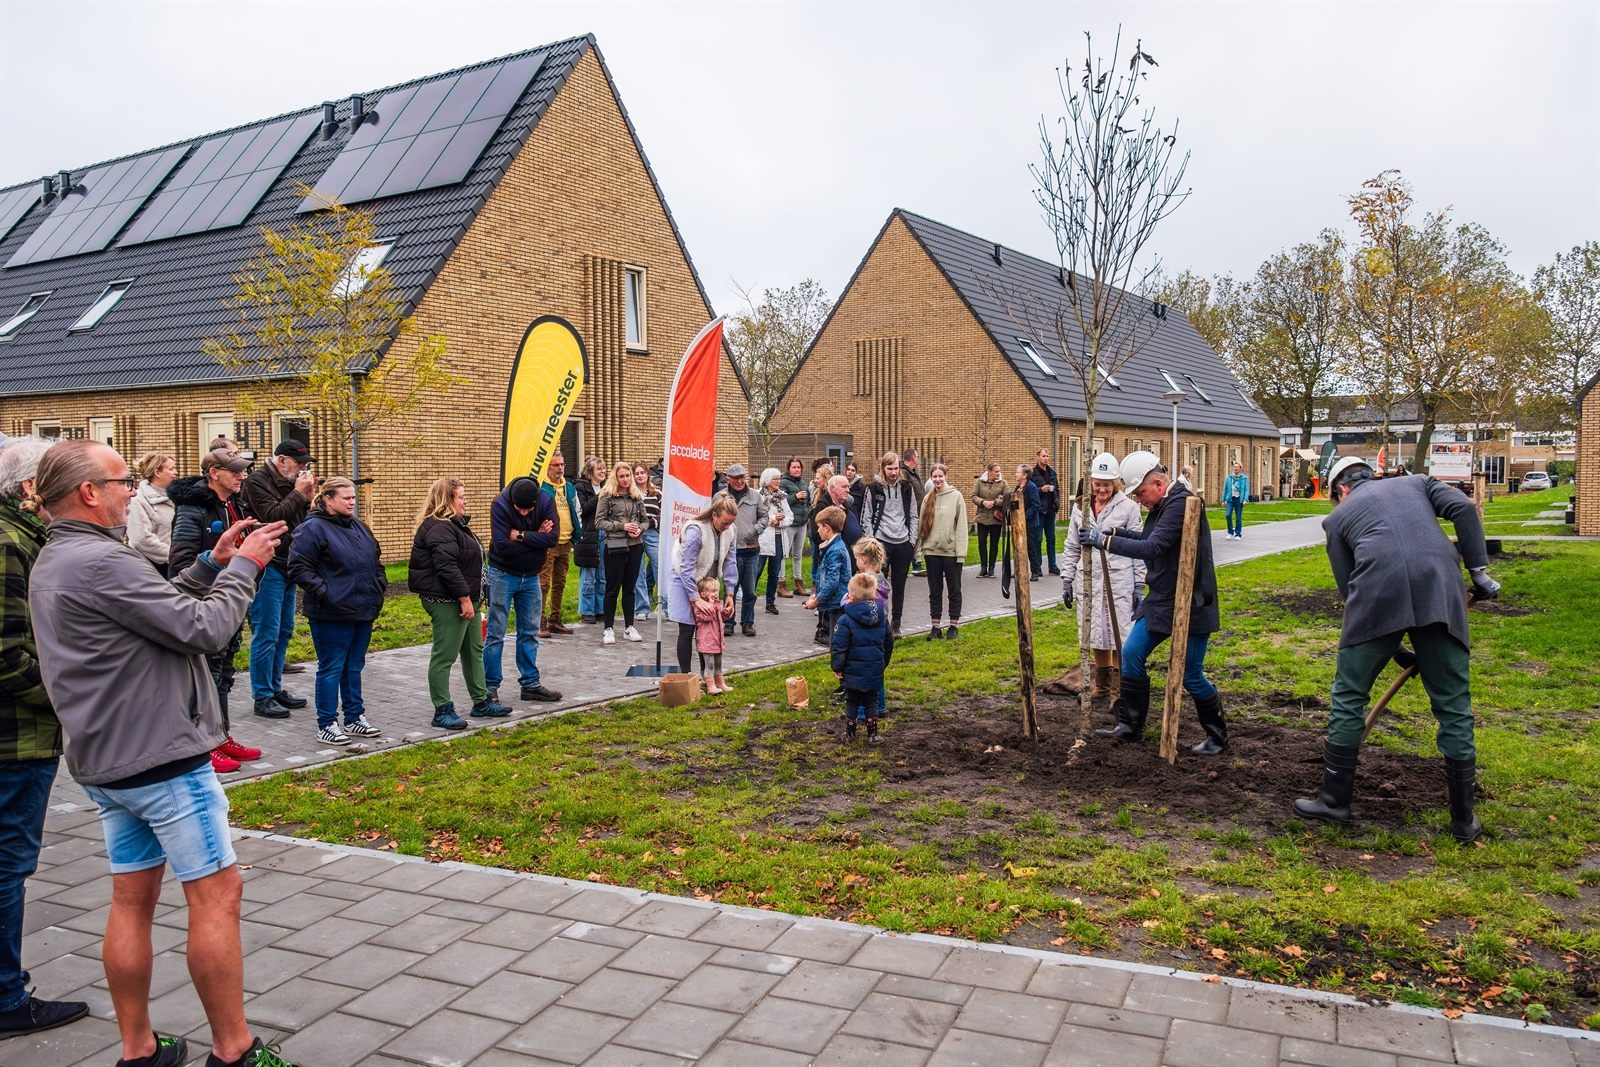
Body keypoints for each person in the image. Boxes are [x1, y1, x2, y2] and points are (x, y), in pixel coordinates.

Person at [27, 439, 292, 1067]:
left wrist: (208, 566)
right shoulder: (101, 561)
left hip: (108, 760)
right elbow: (202, 629)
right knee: (218, 895)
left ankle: (138, 1049)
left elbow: (151, 613)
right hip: (162, 762)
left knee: (131, 899)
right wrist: (245, 568)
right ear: (88, 492)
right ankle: (235, 1051)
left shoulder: (60, 557)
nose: (137, 490)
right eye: (122, 480)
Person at [1294, 457, 1498, 842]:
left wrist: (1388, 646)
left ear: (1340, 490)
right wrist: (1479, 571)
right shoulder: (1417, 483)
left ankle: (1334, 802)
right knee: (1454, 705)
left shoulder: (1336, 520)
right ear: (1372, 475)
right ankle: (1463, 821)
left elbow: (1350, 591)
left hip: (1376, 595)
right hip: (1439, 590)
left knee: (1349, 696)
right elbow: (1464, 508)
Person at [0, 438, 90, 1041]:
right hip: (16, 740)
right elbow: (7, 653)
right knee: (8, 865)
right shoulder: (9, 545)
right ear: (29, 489)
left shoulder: (23, 539)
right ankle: (7, 998)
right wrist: (67, 698)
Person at [1082, 451, 1227, 756]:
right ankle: (1131, 726)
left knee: (1191, 674)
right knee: (1132, 652)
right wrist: (1117, 532)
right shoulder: (1162, 505)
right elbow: (1150, 536)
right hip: (1162, 598)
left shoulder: (1182, 504)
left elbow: (1153, 546)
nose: (1139, 500)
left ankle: (1217, 736)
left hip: (1192, 601)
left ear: (1159, 483)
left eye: (1141, 493)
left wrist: (1104, 541)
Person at [168, 446, 266, 772]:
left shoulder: (235, 504)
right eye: (235, 471)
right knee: (205, 678)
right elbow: (180, 563)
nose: (242, 476)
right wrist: (218, 570)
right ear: (214, 474)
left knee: (223, 674)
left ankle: (222, 736)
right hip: (205, 604)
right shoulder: (193, 509)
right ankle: (204, 745)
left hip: (232, 602)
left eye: (242, 470)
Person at [288, 477, 386, 745]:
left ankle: (354, 718)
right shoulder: (313, 529)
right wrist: (327, 593)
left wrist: (378, 587)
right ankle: (327, 723)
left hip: (363, 610)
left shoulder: (360, 528)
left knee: (353, 667)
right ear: (328, 499)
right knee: (331, 668)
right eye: (346, 498)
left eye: (353, 497)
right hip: (330, 613)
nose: (352, 502)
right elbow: (298, 568)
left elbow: (376, 562)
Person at [410, 478, 509, 731]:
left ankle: (481, 702)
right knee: (445, 655)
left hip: (468, 600)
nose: (465, 501)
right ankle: (442, 709)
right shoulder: (439, 527)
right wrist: (464, 599)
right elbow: (446, 566)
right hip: (448, 601)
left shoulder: (455, 525)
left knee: (473, 651)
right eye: (461, 497)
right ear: (446, 500)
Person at [241, 440, 316, 725]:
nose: (302, 469)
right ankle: (262, 696)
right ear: (282, 460)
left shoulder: (290, 482)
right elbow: (272, 516)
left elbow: (299, 518)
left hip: (289, 563)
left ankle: (274, 688)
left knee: (285, 629)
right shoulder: (257, 482)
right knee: (266, 631)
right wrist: (298, 493)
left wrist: (306, 497)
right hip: (268, 564)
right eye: (298, 464)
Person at [1062, 453, 1144, 701]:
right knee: (1096, 632)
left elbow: (1140, 549)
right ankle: (1103, 687)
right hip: (1090, 580)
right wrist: (1067, 579)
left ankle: (1119, 690)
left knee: (1120, 634)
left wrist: (1139, 584)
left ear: (1115, 484)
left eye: (1106, 484)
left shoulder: (1129, 508)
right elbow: (1071, 546)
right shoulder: (1081, 509)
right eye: (1097, 484)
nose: (1101, 489)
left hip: (1119, 580)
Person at [485, 476, 562, 708]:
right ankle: (490, 687)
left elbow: (553, 538)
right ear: (513, 502)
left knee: (529, 632)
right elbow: (501, 545)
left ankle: (530, 684)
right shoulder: (500, 504)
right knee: (495, 632)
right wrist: (537, 537)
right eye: (520, 510)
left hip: (531, 576)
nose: (525, 513)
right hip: (502, 573)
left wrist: (519, 534)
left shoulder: (546, 500)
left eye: (530, 510)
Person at [666, 497, 739, 674]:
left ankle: (707, 677)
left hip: (707, 582)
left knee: (706, 629)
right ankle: (686, 679)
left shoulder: (730, 530)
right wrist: (695, 599)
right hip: (685, 580)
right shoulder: (695, 530)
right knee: (687, 628)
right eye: (724, 522)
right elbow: (686, 568)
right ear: (714, 515)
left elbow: (731, 561)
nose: (727, 527)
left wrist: (729, 594)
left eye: (730, 523)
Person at [861, 452, 920, 638]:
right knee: (879, 584)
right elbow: (866, 516)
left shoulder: (906, 487)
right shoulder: (873, 488)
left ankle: (896, 623)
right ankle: (881, 620)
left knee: (900, 585)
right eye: (889, 469)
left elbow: (913, 515)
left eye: (896, 468)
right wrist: (872, 541)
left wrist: (912, 540)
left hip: (903, 542)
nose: (893, 472)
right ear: (883, 468)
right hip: (882, 541)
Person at [832, 573, 893, 744]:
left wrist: (837, 667)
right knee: (871, 701)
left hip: (852, 671)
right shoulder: (882, 619)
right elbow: (889, 643)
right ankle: (872, 735)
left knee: (852, 702)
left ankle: (850, 734)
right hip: (874, 670)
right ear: (875, 595)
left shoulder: (845, 620)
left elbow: (839, 646)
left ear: (850, 597)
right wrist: (883, 664)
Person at [595, 461, 647, 645]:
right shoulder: (607, 496)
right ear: (615, 478)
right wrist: (621, 526)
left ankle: (629, 627)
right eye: (622, 476)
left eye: (628, 476)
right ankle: (608, 628)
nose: (625, 479)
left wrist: (639, 529)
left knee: (630, 588)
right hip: (614, 545)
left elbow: (646, 520)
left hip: (635, 545)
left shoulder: (636, 496)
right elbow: (599, 522)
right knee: (612, 588)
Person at [916, 463, 969, 639]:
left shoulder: (956, 497)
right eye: (934, 476)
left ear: (946, 476)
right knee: (935, 591)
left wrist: (961, 552)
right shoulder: (927, 499)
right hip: (932, 552)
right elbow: (921, 526)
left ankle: (953, 625)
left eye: (940, 476)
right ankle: (935, 627)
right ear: (931, 478)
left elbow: (961, 526)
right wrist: (919, 551)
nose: (937, 479)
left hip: (951, 552)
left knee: (954, 590)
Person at [720, 462, 765, 638]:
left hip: (751, 549)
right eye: (735, 478)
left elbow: (764, 516)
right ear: (728, 479)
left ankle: (748, 623)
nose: (739, 481)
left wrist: (754, 531)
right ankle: (728, 623)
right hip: (729, 551)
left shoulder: (755, 496)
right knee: (729, 589)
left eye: (742, 477)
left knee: (750, 590)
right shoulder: (720, 497)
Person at [538, 452, 580, 638]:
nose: (560, 468)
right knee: (543, 584)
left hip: (566, 542)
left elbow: (577, 509)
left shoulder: (569, 487)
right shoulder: (541, 488)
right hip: (548, 544)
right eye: (555, 465)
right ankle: (540, 622)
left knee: (560, 583)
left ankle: (555, 619)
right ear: (547, 467)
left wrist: (574, 534)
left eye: (562, 464)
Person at [852, 536, 891, 721]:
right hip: (881, 630)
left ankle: (861, 710)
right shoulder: (882, 579)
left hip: (865, 632)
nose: (856, 562)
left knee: (863, 673)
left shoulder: (864, 581)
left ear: (864, 559)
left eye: (856, 559)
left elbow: (852, 605)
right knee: (878, 670)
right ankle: (880, 706)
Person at [805, 506, 852, 645]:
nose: (817, 530)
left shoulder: (835, 550)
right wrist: (817, 594)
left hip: (837, 603)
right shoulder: (832, 547)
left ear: (827, 527)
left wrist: (817, 601)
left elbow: (832, 581)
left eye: (818, 526)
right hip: (834, 602)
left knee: (837, 643)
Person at [126, 451, 177, 577]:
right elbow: (141, 539)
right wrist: (174, 555)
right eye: (171, 469)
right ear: (157, 472)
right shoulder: (137, 500)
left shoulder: (177, 498)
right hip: (151, 570)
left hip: (174, 566)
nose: (176, 473)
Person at [574, 456, 606, 624]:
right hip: (588, 535)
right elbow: (584, 509)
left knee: (602, 575)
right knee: (588, 576)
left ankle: (600, 609)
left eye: (604, 468)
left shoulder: (607, 486)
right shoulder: (580, 487)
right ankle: (587, 611)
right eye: (599, 469)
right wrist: (601, 495)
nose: (603, 471)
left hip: (604, 534)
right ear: (589, 472)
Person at [756, 467, 792, 617]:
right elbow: (756, 516)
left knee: (774, 572)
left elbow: (790, 516)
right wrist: (772, 520)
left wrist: (780, 522)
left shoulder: (782, 497)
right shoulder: (758, 496)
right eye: (775, 479)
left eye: (779, 479)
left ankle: (770, 602)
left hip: (779, 537)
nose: (778, 481)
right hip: (763, 538)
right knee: (756, 571)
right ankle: (749, 598)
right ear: (767, 480)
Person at [632, 462, 662, 618]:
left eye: (642, 473)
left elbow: (662, 514)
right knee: (638, 572)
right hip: (635, 535)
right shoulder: (630, 493)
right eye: (636, 473)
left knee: (660, 570)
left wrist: (647, 524)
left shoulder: (657, 493)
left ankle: (667, 607)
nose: (639, 476)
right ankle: (642, 608)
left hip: (652, 533)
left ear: (647, 474)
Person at [779, 456, 811, 597]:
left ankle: (798, 584)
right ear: (789, 469)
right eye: (794, 467)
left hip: (802, 523)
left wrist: (808, 515)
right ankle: (781, 583)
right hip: (790, 524)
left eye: (798, 467)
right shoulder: (783, 483)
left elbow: (809, 501)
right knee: (784, 554)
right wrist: (795, 497)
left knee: (798, 554)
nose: (796, 469)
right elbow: (780, 502)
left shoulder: (804, 484)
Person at [692, 576, 729, 694]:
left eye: (716, 591)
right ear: (703, 594)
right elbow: (706, 618)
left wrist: (725, 614)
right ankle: (710, 686)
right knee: (710, 665)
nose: (716, 593)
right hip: (706, 641)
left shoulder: (716, 604)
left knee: (718, 663)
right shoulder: (700, 607)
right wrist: (712, 605)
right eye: (713, 591)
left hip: (717, 640)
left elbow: (718, 619)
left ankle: (720, 683)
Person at [971, 462, 1008, 579]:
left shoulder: (1003, 483)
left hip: (996, 517)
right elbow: (973, 496)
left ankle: (991, 568)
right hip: (982, 517)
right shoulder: (980, 482)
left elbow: (1008, 497)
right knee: (982, 542)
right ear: (989, 471)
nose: (998, 473)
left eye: (999, 471)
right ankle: (983, 568)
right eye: (996, 471)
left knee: (994, 543)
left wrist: (995, 502)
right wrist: (983, 502)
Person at [1030, 448, 1061, 575]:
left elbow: (1057, 489)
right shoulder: (1033, 473)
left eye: (1047, 456)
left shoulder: (1051, 473)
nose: (1046, 458)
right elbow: (1030, 491)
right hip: (1039, 510)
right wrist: (1040, 490)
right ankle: (1037, 567)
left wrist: (1056, 502)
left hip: (1050, 509)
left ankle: (1052, 566)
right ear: (1038, 457)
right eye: (1043, 456)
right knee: (1038, 539)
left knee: (1052, 539)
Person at [1017, 463, 1044, 580]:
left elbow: (1036, 505)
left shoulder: (1031, 487)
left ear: (1024, 475)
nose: (1015, 474)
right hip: (1019, 522)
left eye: (1017, 472)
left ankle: (1035, 571)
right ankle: (1020, 569)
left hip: (1029, 523)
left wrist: (1024, 516)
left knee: (1030, 547)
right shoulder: (1019, 487)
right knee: (1019, 546)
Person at [1222, 460, 1249, 540]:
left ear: (1240, 468)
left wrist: (1245, 500)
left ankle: (1238, 534)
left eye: (1237, 467)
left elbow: (1246, 489)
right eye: (1234, 467)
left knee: (1238, 517)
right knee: (1228, 515)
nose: (1235, 468)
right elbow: (1225, 489)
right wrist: (1223, 500)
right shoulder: (1229, 477)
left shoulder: (1244, 478)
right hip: (1230, 499)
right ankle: (1230, 532)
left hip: (1239, 499)